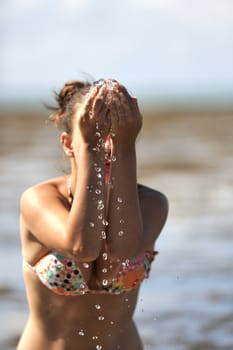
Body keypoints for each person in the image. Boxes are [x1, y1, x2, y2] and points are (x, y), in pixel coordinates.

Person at [17, 78, 168, 350]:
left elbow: (118, 254)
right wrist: (90, 149)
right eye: (94, 134)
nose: (106, 145)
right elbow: (82, 246)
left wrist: (125, 149)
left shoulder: (152, 204)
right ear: (68, 144)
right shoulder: (39, 201)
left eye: (115, 136)